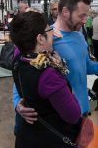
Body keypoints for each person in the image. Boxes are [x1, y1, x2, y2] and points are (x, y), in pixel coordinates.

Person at [14, 0, 98, 132]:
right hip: (58, 118)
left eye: (86, 15)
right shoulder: (43, 39)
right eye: (82, 15)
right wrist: (17, 104)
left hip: (82, 110)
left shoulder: (79, 37)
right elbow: (21, 70)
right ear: (65, 12)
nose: (85, 20)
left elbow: (85, 67)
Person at [11, 11, 81, 148]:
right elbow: (73, 115)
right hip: (50, 139)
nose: (53, 33)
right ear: (40, 38)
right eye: (50, 29)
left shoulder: (19, 60)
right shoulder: (48, 75)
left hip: (27, 136)